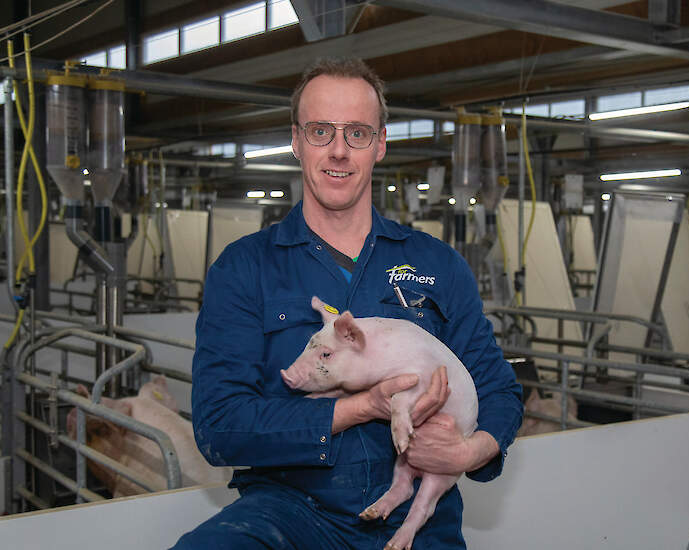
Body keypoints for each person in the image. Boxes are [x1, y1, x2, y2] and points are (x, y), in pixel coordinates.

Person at [171, 57, 523, 549]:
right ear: (296, 140)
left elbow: (499, 391)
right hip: (289, 512)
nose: (338, 151)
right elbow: (219, 426)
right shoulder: (244, 267)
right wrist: (360, 407)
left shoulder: (437, 264)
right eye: (320, 131)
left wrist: (470, 451)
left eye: (356, 133)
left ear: (381, 143)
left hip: (418, 521)